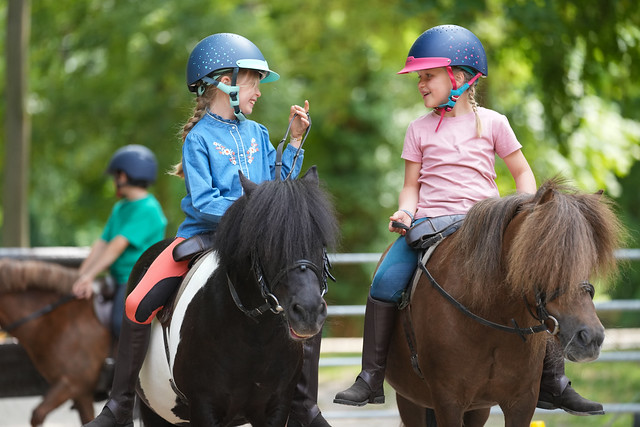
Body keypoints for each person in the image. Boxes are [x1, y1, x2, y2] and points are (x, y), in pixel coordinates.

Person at [333, 24, 603, 416]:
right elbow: (411, 186)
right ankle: (371, 376)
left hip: (487, 228)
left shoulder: (493, 123)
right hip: (430, 226)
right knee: (384, 281)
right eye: (419, 78)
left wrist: (528, 211)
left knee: (540, 282)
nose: (421, 84)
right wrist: (406, 210)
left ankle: (554, 382)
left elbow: (522, 173)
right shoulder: (417, 130)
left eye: (428, 76)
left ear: (458, 77)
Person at [84, 33, 329, 427]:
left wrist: (295, 141)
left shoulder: (260, 134)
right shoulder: (198, 139)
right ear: (224, 82)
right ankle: (119, 404)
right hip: (203, 236)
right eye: (254, 81)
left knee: (304, 297)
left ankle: (303, 404)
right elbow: (203, 201)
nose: (260, 92)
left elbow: (277, 188)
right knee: (135, 302)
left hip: (254, 243)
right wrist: (253, 218)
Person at [72, 144, 167, 339]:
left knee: (119, 324)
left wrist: (90, 277)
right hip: (116, 278)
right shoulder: (120, 208)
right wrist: (80, 275)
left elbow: (116, 246)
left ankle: (125, 367)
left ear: (123, 176)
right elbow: (102, 243)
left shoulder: (149, 209)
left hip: (135, 280)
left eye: (116, 175)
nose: (115, 180)